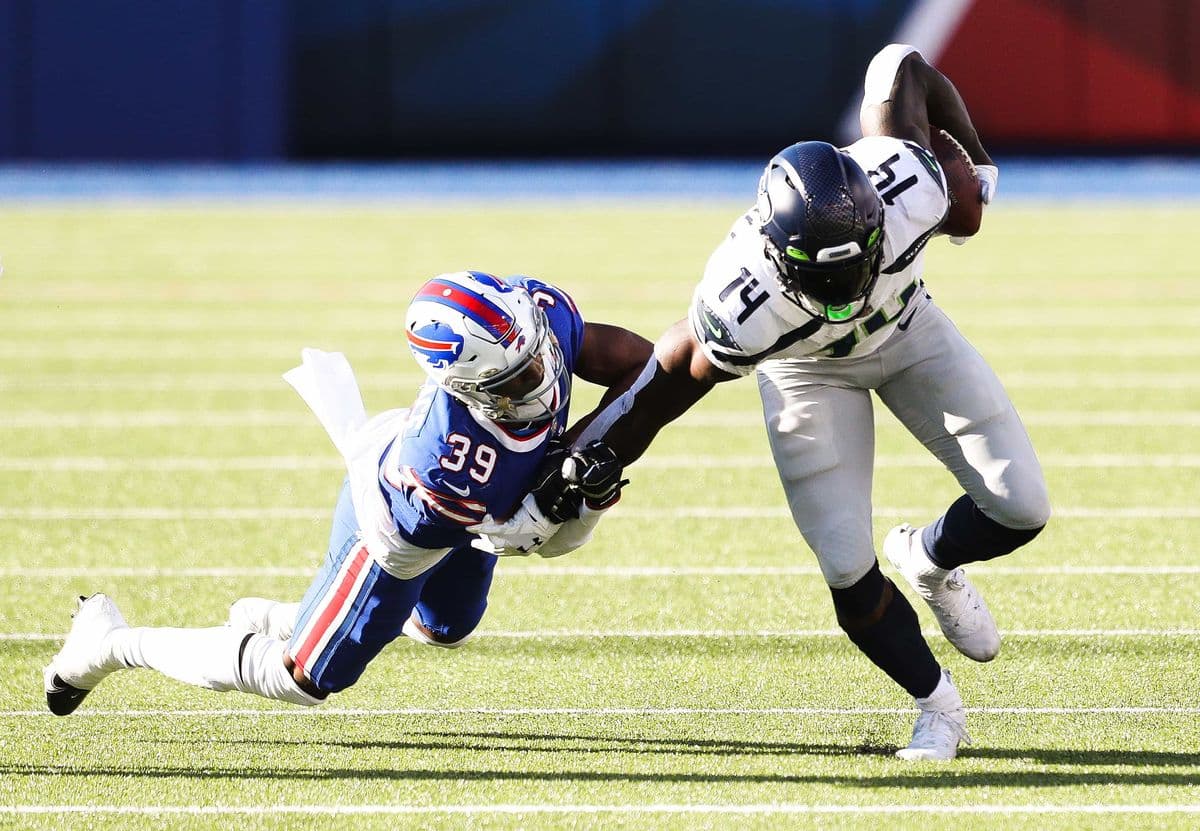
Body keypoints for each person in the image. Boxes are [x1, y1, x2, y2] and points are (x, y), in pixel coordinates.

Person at [513, 44, 1051, 761]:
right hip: (806, 373)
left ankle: (928, 557)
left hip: (910, 331)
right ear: (777, 257)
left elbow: (901, 67)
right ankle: (939, 706)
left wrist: (977, 166)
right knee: (847, 569)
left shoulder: (911, 184)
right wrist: (584, 457)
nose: (844, 295)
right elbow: (657, 390)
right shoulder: (743, 299)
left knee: (1022, 507)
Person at [44, 270, 650, 714]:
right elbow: (544, 543)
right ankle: (107, 645)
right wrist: (590, 503)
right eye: (514, 380)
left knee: (446, 627)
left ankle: (280, 618)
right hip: (394, 526)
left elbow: (639, 364)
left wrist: (581, 450)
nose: (541, 378)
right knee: (303, 679)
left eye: (536, 355)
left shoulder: (535, 320)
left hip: (467, 502)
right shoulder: (450, 464)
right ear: (466, 389)